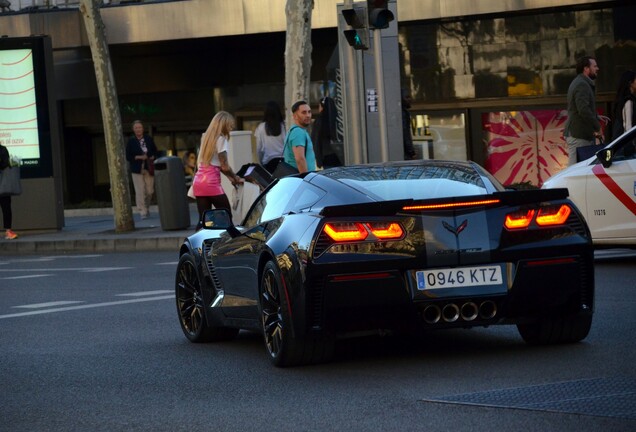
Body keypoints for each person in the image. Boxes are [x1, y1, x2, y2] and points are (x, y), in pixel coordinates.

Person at [192, 111, 243, 222]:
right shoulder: (221, 139)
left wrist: (231, 178)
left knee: (204, 220)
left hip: (199, 182)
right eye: (230, 125)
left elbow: (215, 164)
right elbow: (224, 166)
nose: (231, 128)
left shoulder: (207, 139)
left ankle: (198, 239)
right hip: (211, 183)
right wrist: (235, 177)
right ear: (224, 124)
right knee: (226, 217)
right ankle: (226, 239)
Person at [564, 56, 608, 166]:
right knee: (575, 172)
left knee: (580, 171)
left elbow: (583, 107)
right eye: (595, 66)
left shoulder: (582, 83)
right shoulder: (581, 84)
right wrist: (598, 127)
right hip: (578, 135)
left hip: (580, 135)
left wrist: (596, 116)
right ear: (586, 69)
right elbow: (583, 110)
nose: (597, 68)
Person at [126, 120, 158, 219]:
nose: (138, 130)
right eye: (136, 128)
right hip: (137, 169)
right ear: (133, 130)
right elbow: (128, 156)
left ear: (143, 129)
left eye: (140, 127)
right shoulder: (131, 141)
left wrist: (151, 156)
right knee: (140, 191)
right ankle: (142, 211)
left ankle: (146, 207)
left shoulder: (148, 139)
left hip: (149, 168)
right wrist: (139, 157)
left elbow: (155, 152)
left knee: (149, 191)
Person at [283, 100, 316, 174]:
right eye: (304, 112)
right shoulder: (298, 132)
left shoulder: (297, 131)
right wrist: (305, 179)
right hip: (300, 179)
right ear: (295, 116)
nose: (308, 115)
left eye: (309, 112)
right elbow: (299, 159)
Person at [254, 101, 286, 173]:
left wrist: (260, 163)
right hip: (284, 162)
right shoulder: (284, 126)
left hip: (268, 163)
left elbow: (259, 149)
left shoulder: (260, 127)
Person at [311, 96, 342, 168]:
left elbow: (316, 140)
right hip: (340, 155)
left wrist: (318, 160)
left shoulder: (320, 120)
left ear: (322, 107)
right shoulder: (339, 119)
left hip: (326, 156)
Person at [611, 70, 636, 141]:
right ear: (630, 83)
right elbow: (628, 126)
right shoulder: (628, 101)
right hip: (625, 144)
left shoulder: (623, 100)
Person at [0, 143, 18, 239]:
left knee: (6, 208)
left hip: (3, 184)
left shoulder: (2, 149)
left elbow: (5, 163)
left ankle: (8, 231)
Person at [401, 91, 417, 160]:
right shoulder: (403, 113)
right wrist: (411, 152)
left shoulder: (403, 112)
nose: (410, 99)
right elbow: (405, 133)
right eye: (407, 97)